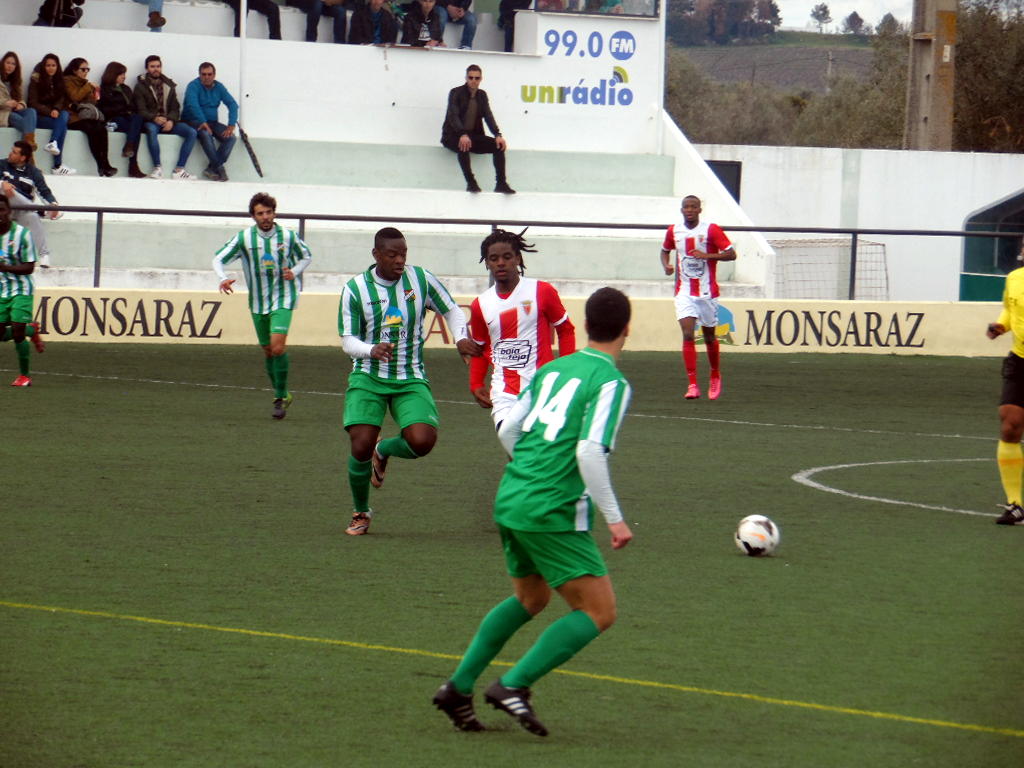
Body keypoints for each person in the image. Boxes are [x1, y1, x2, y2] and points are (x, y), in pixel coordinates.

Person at [432, 286, 633, 737]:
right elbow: (589, 451)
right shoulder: (611, 383)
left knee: (531, 598)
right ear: (626, 329)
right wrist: (615, 518)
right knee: (599, 611)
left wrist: (530, 468)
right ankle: (513, 684)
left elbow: (511, 429)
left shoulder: (552, 369)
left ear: (586, 326)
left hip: (512, 495)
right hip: (550, 508)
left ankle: (458, 688)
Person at [337, 226, 481, 536]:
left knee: (422, 441)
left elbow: (452, 310)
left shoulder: (421, 279)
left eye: (403, 254)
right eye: (392, 255)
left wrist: (460, 337)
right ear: (376, 255)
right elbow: (348, 340)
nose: (400, 260)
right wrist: (371, 350)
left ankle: (384, 449)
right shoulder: (356, 289)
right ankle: (361, 511)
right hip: (368, 375)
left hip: (410, 376)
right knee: (360, 444)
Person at [213, 193, 312, 420]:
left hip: (283, 297)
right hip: (258, 301)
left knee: (277, 348)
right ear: (253, 216)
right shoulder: (244, 238)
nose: (265, 217)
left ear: (274, 213)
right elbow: (218, 259)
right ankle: (283, 394)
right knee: (267, 350)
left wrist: (294, 271)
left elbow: (306, 256)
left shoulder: (287, 236)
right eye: (260, 213)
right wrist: (222, 278)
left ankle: (279, 397)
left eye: (269, 212)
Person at [468, 228, 576, 432]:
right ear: (487, 263)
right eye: (494, 259)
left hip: (543, 389)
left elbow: (566, 330)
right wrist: (476, 384)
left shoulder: (542, 291)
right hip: (504, 393)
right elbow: (479, 348)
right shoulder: (480, 304)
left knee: (538, 449)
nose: (500, 263)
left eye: (507, 257)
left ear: (517, 258)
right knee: (511, 440)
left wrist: (566, 371)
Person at [659, 194, 736, 400]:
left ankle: (715, 374)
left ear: (700, 210)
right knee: (687, 335)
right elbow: (664, 251)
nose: (690, 210)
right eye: (686, 207)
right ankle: (692, 384)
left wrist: (707, 255)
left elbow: (731, 254)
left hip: (707, 292)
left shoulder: (711, 230)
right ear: (681, 210)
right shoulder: (674, 231)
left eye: (694, 207)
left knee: (709, 337)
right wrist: (666, 266)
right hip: (684, 291)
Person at [986, 249, 1024, 526]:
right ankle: (1015, 505)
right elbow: (1010, 310)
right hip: (1020, 360)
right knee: (1010, 424)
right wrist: (1001, 325)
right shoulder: (1014, 278)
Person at [441, 65, 515, 194]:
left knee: (498, 146)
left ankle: (501, 184)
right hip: (452, 136)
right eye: (470, 77)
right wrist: (462, 134)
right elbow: (453, 115)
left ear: (481, 79)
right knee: (463, 145)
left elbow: (488, 115)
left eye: (477, 78)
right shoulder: (456, 92)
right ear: (466, 78)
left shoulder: (482, 95)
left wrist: (497, 134)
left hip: (472, 136)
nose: (473, 80)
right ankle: (471, 183)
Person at [0, 196, 46, 387]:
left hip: (21, 289)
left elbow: (29, 267)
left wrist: (5, 268)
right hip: (2, 290)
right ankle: (31, 330)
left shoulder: (22, 234)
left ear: (9, 212)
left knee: (17, 332)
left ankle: (24, 376)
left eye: (2, 209)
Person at [133, 55, 197, 180]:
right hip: (151, 121)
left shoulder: (169, 85)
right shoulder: (140, 86)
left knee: (192, 132)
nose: (155, 69)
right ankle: (157, 168)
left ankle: (179, 170)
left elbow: (175, 108)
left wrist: (171, 120)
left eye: (158, 66)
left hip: (168, 121)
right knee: (151, 130)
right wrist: (154, 118)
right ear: (147, 69)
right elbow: (141, 110)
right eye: (152, 66)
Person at [0, 141, 60, 269]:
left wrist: (53, 204)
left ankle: (44, 255)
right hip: (2, 210)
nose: (10, 154)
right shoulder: (2, 164)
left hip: (22, 211)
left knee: (33, 216)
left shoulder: (34, 172)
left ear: (23, 158)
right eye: (11, 150)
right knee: (3, 188)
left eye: (14, 152)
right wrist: (1, 183)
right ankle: (40, 210)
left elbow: (44, 191)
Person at [181, 62, 238, 182]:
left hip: (212, 122)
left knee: (231, 138)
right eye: (203, 74)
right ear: (199, 74)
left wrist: (231, 124)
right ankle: (220, 168)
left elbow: (232, 104)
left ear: (214, 75)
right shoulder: (193, 86)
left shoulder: (219, 87)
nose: (206, 77)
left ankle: (212, 168)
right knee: (205, 134)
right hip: (193, 121)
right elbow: (192, 105)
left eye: (209, 74)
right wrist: (203, 121)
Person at [62, 58, 118, 177]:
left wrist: (94, 93)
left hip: (85, 116)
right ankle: (101, 165)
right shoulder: (67, 81)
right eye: (83, 69)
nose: (86, 72)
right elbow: (75, 96)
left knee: (101, 128)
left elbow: (91, 104)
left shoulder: (85, 83)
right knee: (92, 129)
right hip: (73, 117)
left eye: (88, 69)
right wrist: (88, 86)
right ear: (74, 70)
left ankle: (105, 163)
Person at [27, 53, 75, 176]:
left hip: (54, 116)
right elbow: (32, 102)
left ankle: (53, 142)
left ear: (57, 67)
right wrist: (49, 112)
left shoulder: (59, 81)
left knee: (64, 115)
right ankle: (57, 165)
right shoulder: (36, 80)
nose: (51, 68)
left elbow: (61, 99)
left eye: (53, 65)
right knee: (63, 126)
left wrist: (56, 109)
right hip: (39, 117)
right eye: (48, 65)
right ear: (43, 66)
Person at [98, 62, 146, 179]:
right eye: (121, 74)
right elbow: (104, 108)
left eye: (124, 74)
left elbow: (133, 105)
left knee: (137, 120)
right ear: (113, 74)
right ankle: (133, 165)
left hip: (128, 117)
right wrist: (122, 110)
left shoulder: (126, 89)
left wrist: (128, 110)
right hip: (114, 119)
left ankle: (129, 146)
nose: (124, 76)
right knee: (135, 130)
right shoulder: (104, 89)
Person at [1, 53, 38, 151]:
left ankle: (27, 145)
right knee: (26, 123)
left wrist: (21, 104)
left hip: (14, 110)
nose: (10, 66)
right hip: (3, 113)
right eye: (8, 63)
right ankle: (28, 148)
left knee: (31, 111)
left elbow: (21, 99)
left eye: (13, 64)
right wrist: (5, 103)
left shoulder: (16, 81)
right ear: (2, 63)